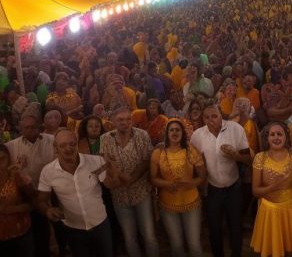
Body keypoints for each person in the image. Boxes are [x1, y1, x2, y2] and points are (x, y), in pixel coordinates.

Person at [37, 130, 117, 257]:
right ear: (55, 148)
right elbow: (41, 200)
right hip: (73, 229)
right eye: (62, 145)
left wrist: (112, 168)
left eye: (72, 144)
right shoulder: (48, 172)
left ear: (77, 144)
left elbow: (111, 185)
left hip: (101, 224)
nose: (68, 148)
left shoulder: (96, 161)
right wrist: (48, 210)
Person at [189, 105, 252, 257]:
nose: (211, 120)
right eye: (207, 117)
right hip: (212, 189)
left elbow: (248, 160)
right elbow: (195, 163)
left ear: (221, 115)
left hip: (234, 187)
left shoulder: (235, 129)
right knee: (214, 228)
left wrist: (235, 155)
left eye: (214, 116)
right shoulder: (198, 135)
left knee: (235, 227)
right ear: (203, 118)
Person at [99, 105, 158, 257]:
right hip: (119, 196)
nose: (125, 123)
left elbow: (146, 161)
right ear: (112, 121)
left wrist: (131, 179)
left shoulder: (142, 135)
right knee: (129, 237)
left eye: (128, 119)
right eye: (120, 120)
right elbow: (104, 165)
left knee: (149, 235)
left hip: (141, 192)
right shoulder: (105, 139)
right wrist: (112, 179)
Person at [250, 122, 292, 257]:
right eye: (272, 135)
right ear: (267, 138)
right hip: (269, 211)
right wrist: (275, 185)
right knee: (275, 249)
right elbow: (255, 191)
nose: (276, 137)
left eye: (280, 134)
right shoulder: (260, 157)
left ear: (286, 137)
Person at [150, 119, 207, 257]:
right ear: (166, 133)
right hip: (168, 205)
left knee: (194, 243)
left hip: (191, 202)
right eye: (171, 130)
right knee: (176, 244)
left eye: (178, 130)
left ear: (183, 133)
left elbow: (203, 175)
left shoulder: (191, 150)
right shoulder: (159, 152)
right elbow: (152, 179)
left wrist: (191, 183)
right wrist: (168, 184)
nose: (175, 132)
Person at [5, 113, 54, 257]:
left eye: (33, 127)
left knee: (44, 229)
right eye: (26, 128)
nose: (30, 130)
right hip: (25, 196)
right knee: (28, 230)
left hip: (47, 193)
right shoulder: (12, 146)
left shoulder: (51, 141)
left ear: (39, 127)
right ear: (20, 129)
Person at [0, 143, 34, 255]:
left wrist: (11, 209)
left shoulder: (17, 175)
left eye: (2, 159)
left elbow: (32, 202)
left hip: (20, 233)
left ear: (8, 158)